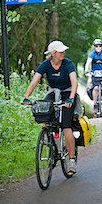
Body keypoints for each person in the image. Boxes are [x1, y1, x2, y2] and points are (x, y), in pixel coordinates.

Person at [22, 40, 78, 173]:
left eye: (63, 50)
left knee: (66, 126)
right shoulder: (45, 65)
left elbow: (74, 82)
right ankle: (48, 135)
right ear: (53, 53)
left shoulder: (68, 64)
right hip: (53, 92)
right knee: (44, 111)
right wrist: (26, 97)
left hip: (67, 93)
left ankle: (71, 160)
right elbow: (34, 81)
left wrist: (71, 98)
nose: (63, 53)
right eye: (60, 51)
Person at [84, 38, 102, 117]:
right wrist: (86, 71)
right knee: (96, 88)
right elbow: (88, 62)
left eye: (100, 46)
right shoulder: (92, 54)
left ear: (101, 46)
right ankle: (95, 104)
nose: (98, 47)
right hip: (95, 73)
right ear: (94, 47)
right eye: (96, 46)